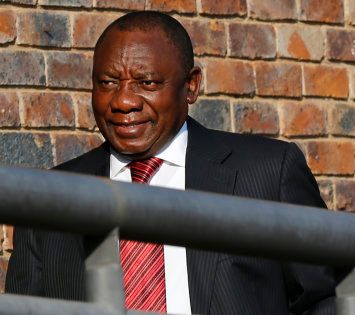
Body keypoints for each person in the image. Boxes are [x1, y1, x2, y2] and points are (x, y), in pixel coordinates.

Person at [6, 11, 336, 315]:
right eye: (107, 82)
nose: (123, 101)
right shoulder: (50, 203)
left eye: (147, 82)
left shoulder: (266, 173)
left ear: (190, 86)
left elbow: (324, 299)